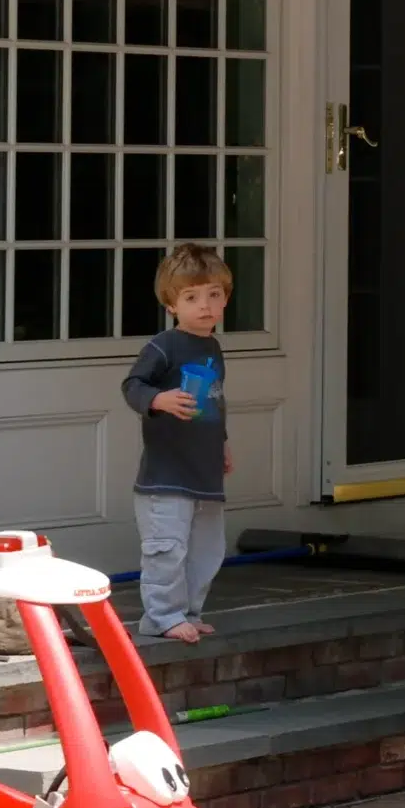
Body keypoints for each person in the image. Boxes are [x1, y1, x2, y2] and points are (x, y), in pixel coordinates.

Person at [123, 244, 233, 643]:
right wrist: (157, 400)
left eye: (214, 295)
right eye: (191, 297)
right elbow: (132, 385)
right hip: (165, 477)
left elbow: (216, 401)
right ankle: (162, 616)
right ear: (171, 304)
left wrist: (222, 443)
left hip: (203, 473)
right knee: (167, 549)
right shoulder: (164, 346)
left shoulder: (213, 348)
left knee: (205, 551)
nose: (205, 306)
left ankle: (188, 611)